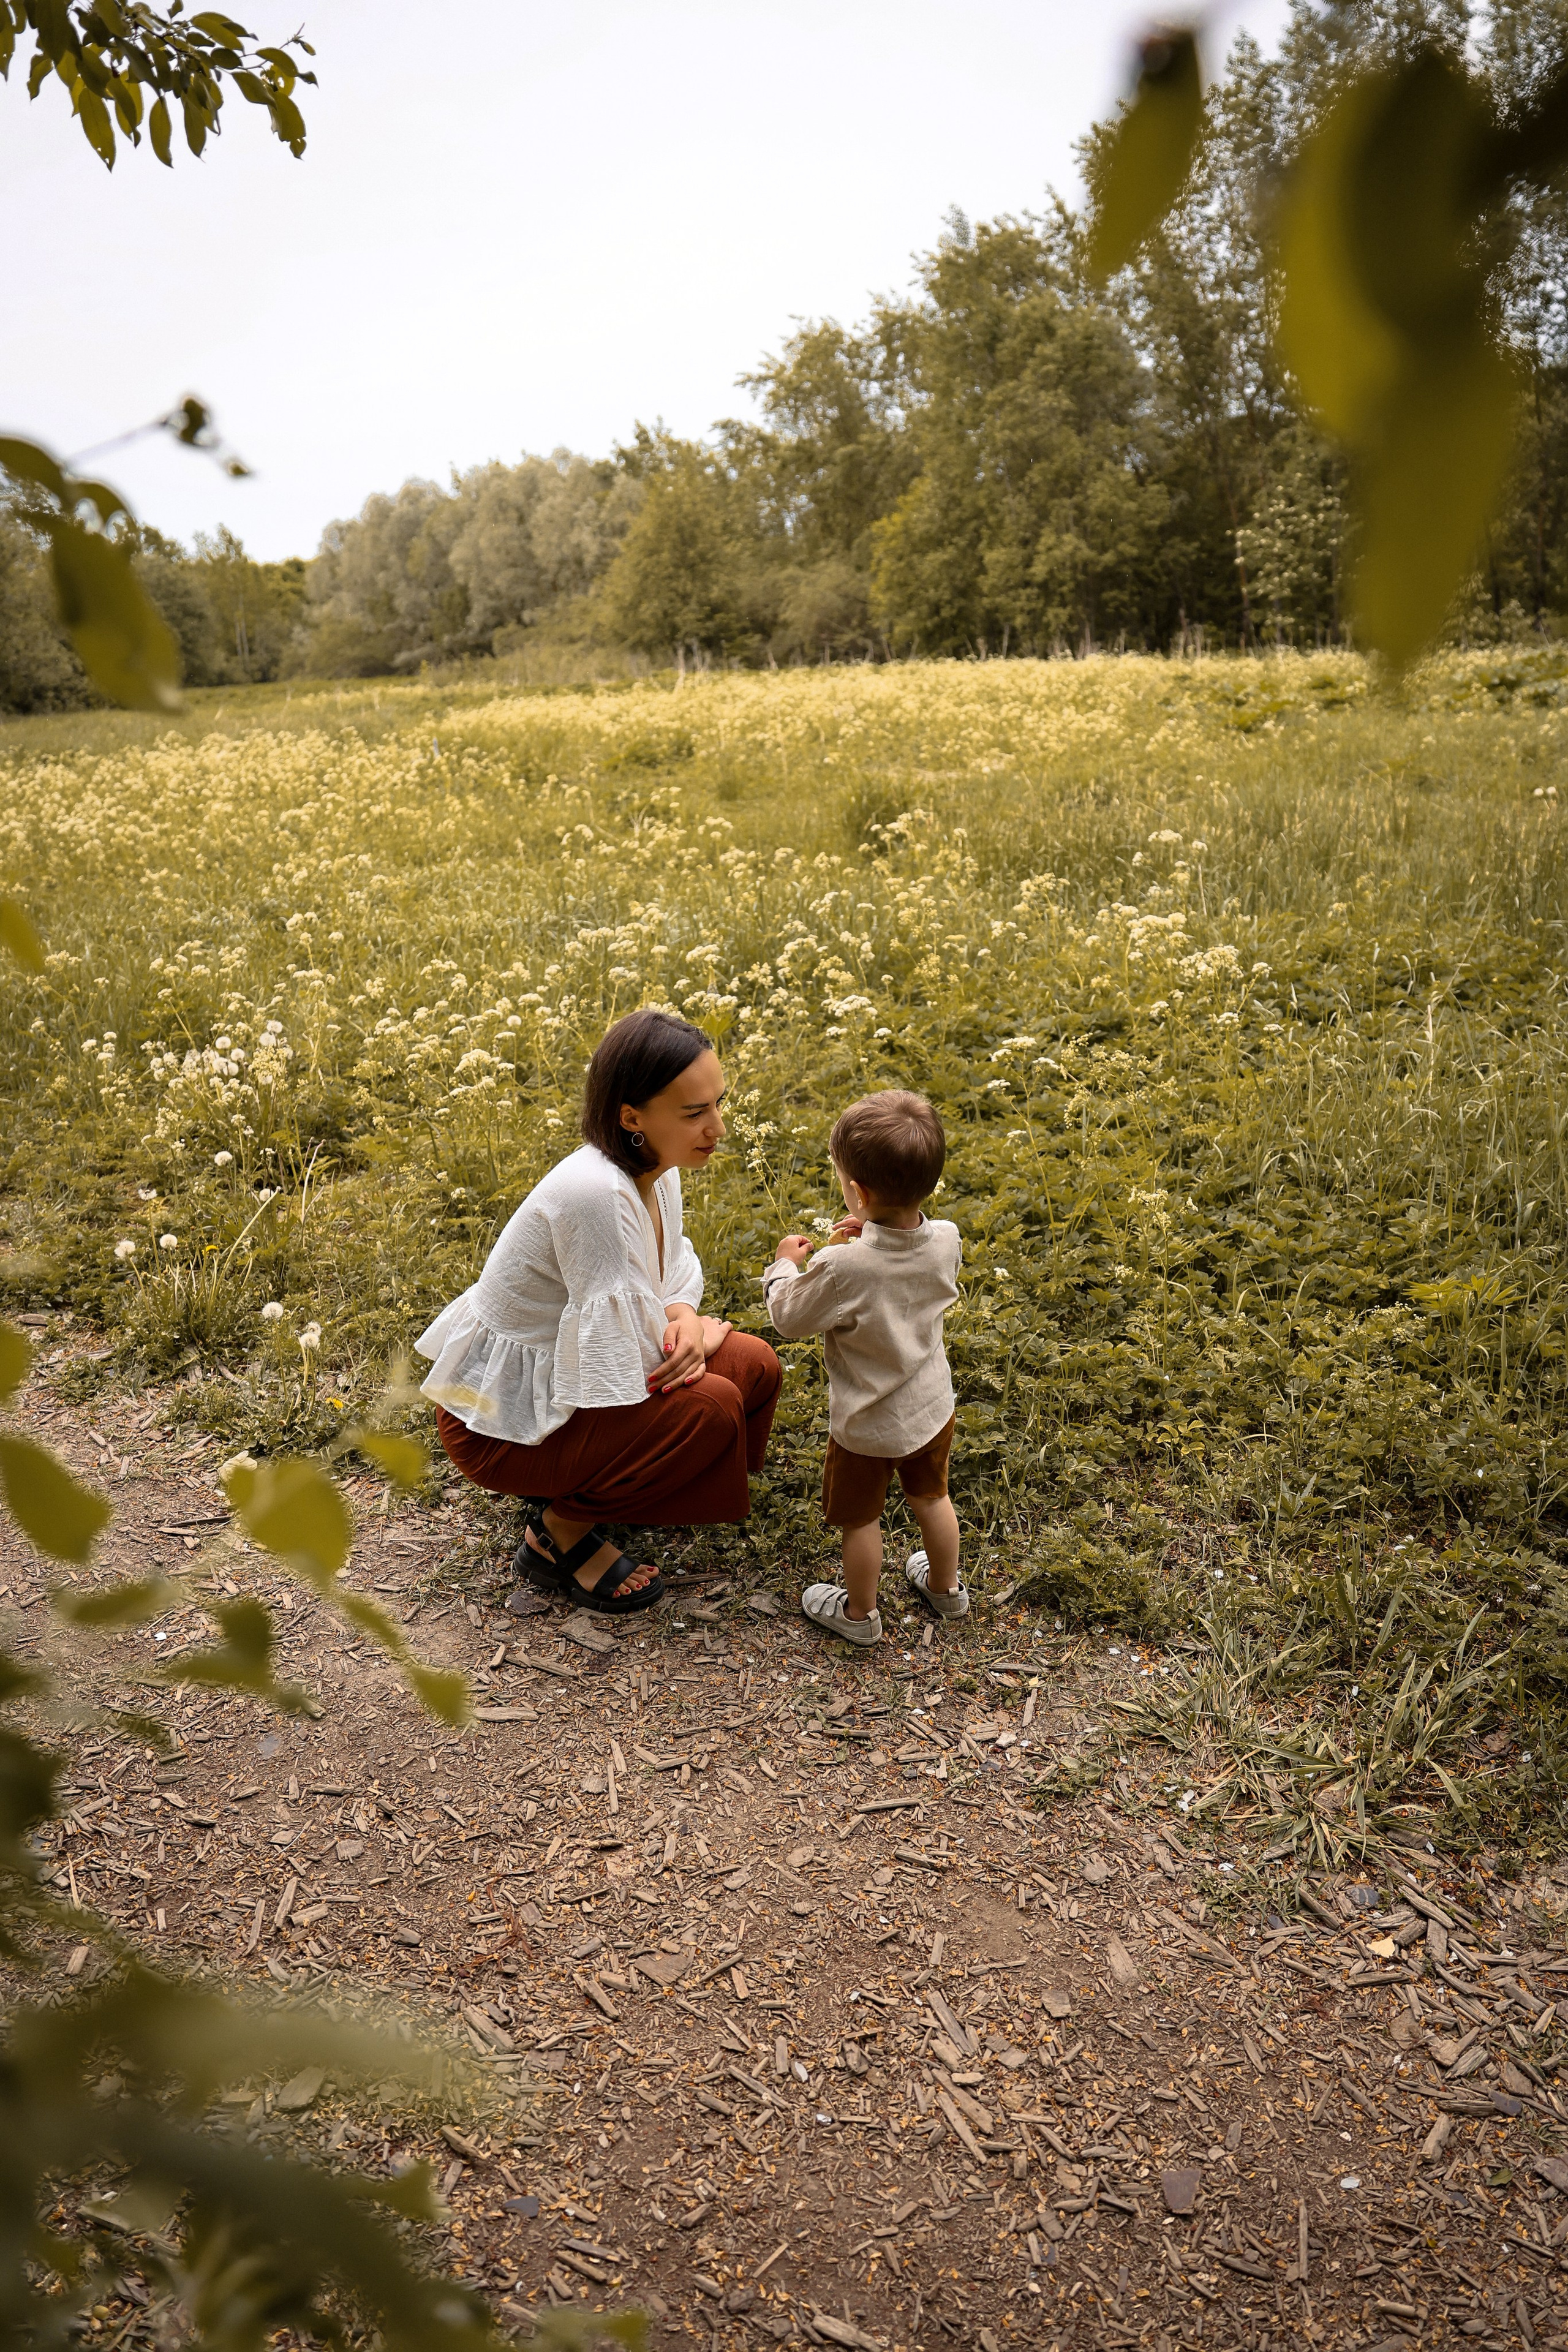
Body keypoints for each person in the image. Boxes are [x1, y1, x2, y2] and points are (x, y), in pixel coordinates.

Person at [417, 1008, 782, 1613]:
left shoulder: (654, 1167)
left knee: (755, 1365)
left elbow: (668, 1274)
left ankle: (645, 1489)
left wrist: (687, 1317)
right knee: (712, 1406)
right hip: (493, 1423)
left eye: (718, 1104)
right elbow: (615, 1361)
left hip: (560, 1391)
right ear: (631, 1116)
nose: (717, 1127)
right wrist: (697, 1343)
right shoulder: (596, 1193)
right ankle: (557, 1533)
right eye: (695, 1113)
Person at [761, 1089, 966, 1648]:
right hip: (930, 1410)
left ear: (858, 1191)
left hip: (865, 1429)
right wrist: (870, 1233)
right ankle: (946, 1590)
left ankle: (859, 1615)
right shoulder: (946, 1238)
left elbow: (788, 1317)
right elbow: (901, 1262)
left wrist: (787, 1264)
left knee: (861, 1521)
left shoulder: (841, 1267)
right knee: (933, 1500)